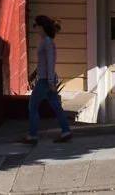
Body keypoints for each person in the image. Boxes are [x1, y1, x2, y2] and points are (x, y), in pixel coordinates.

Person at [26, 14, 74, 144]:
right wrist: (35, 73)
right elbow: (44, 62)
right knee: (55, 105)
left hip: (45, 80)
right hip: (47, 78)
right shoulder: (47, 42)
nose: (36, 29)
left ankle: (32, 135)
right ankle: (66, 131)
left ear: (41, 27)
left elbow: (50, 62)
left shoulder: (47, 42)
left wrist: (50, 81)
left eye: (37, 26)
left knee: (33, 105)